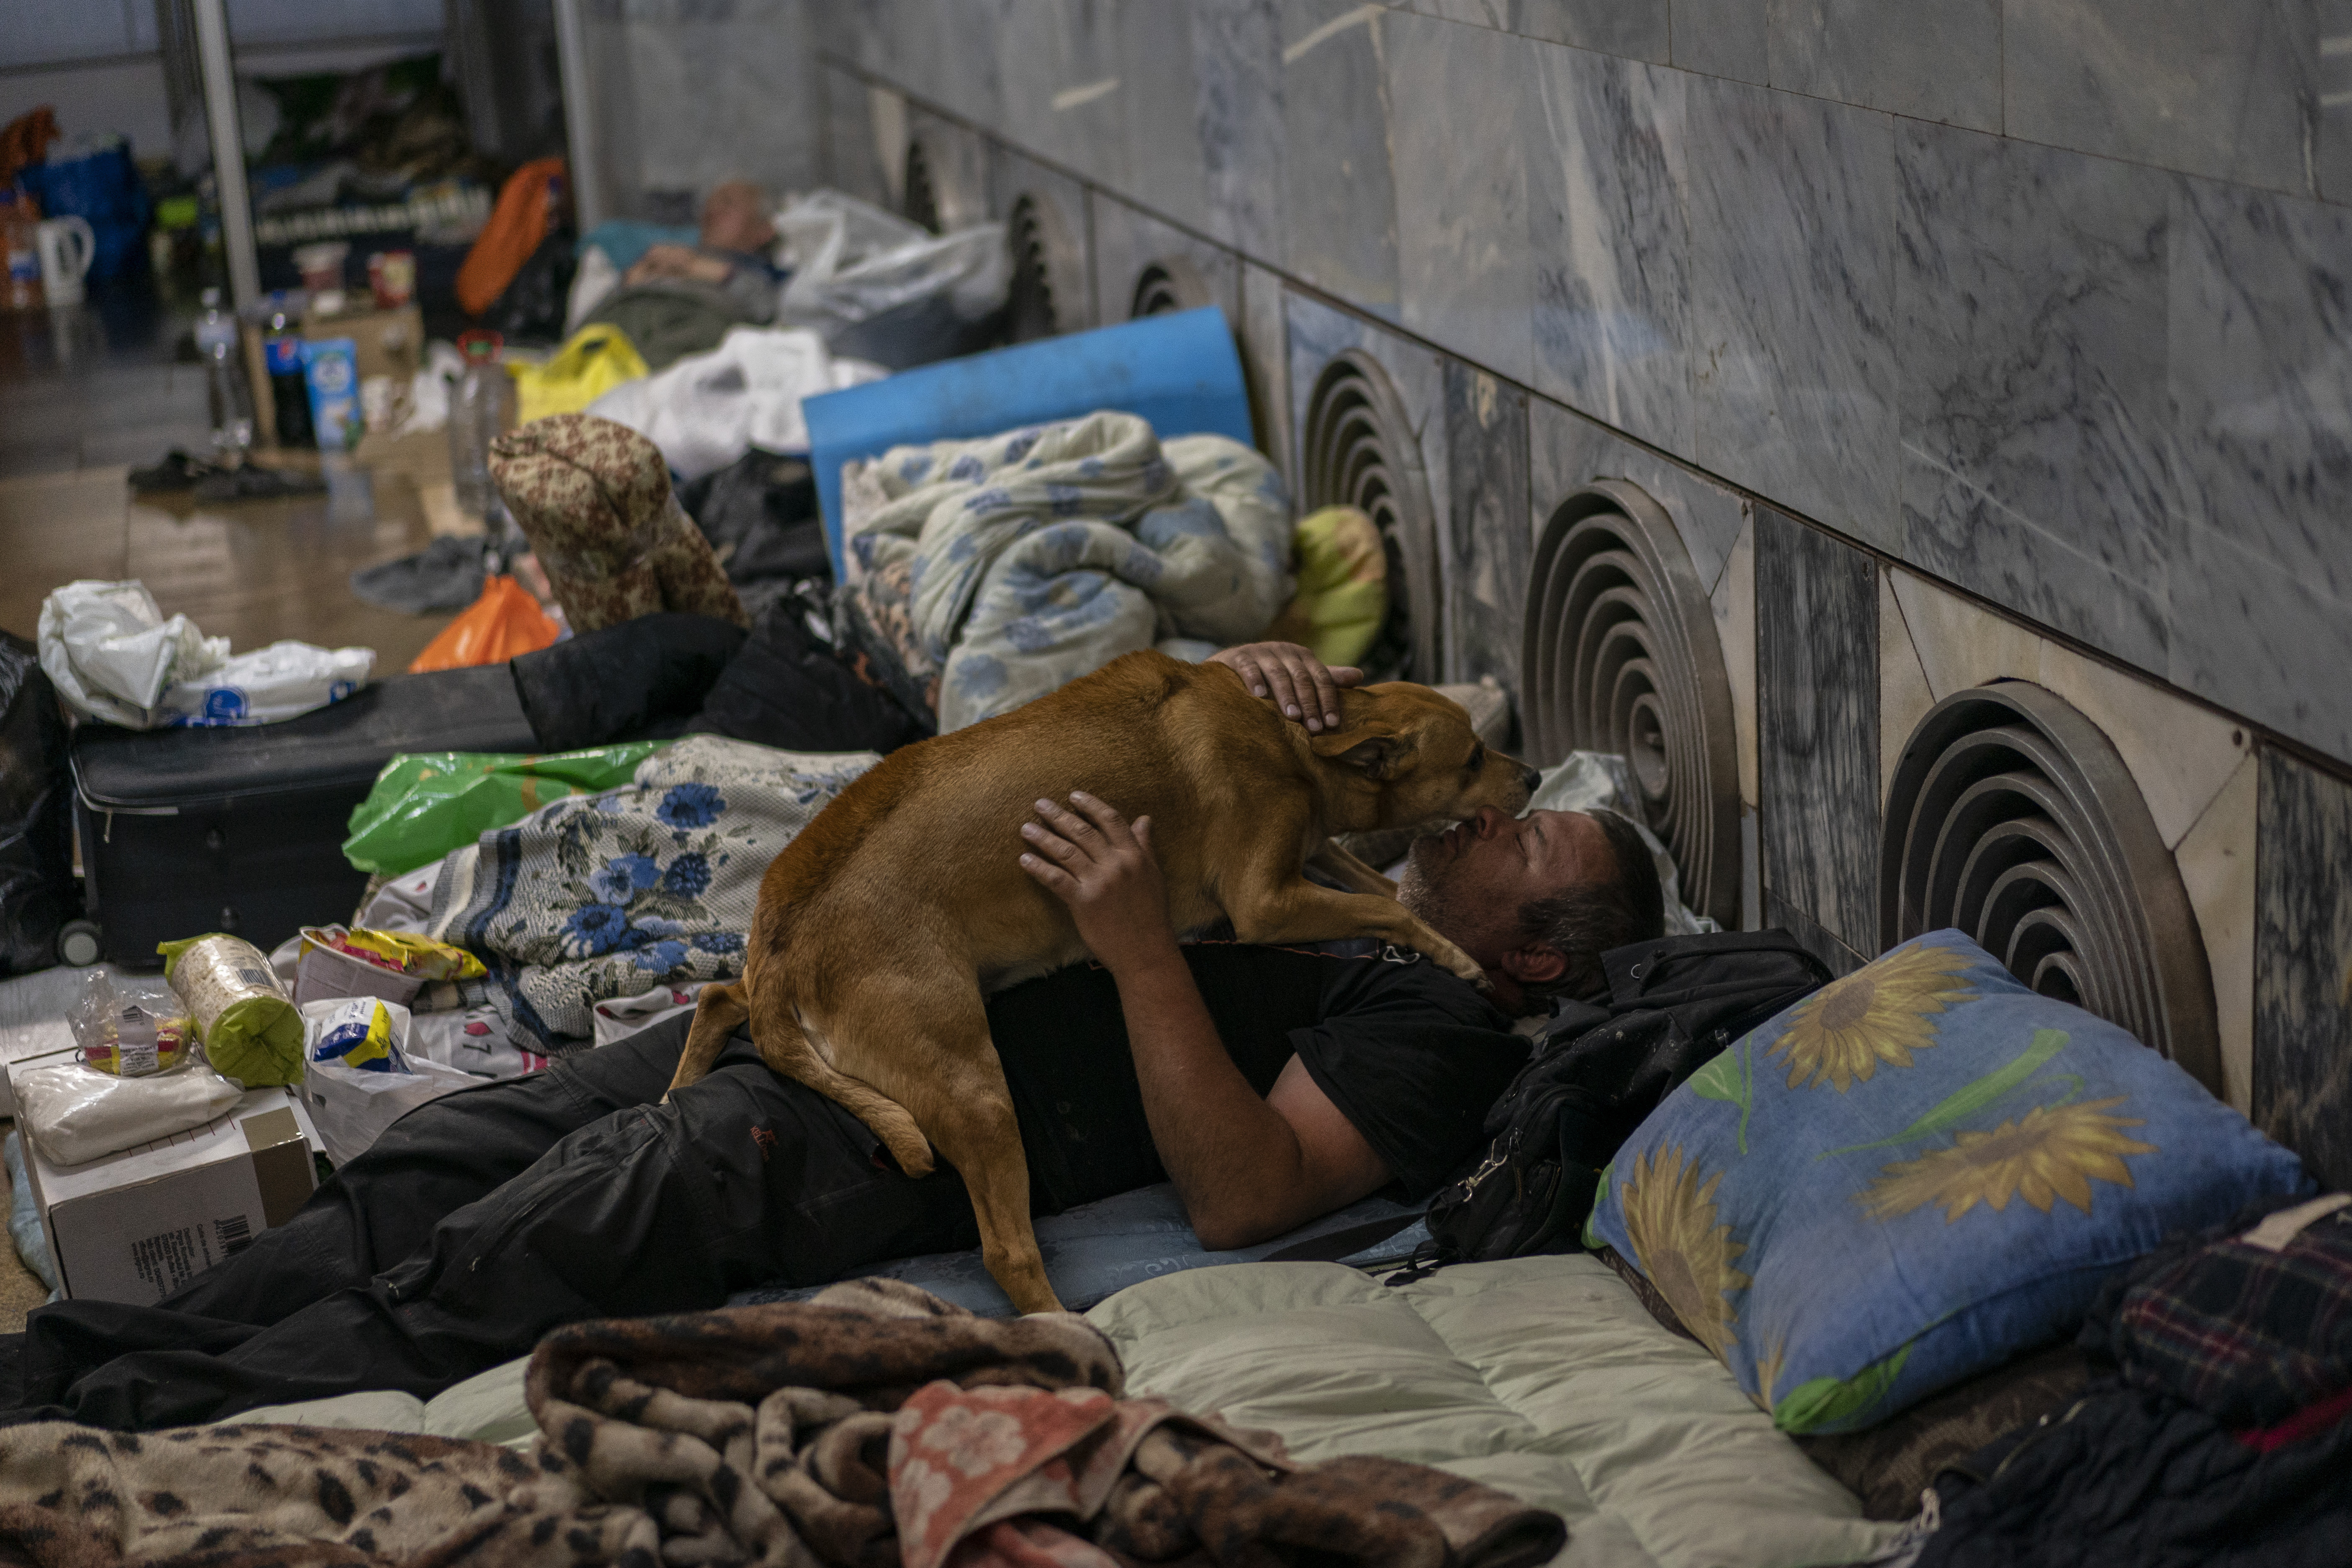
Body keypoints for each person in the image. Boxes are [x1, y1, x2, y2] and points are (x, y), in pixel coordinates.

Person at [0, 644, 1664, 1433]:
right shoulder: (1332, 844)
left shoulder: (1436, 1020)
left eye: (1504, 836)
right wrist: (1233, 688)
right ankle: (47, 1361)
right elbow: (1174, 754)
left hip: (890, 1127)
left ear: (1532, 953)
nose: (1471, 815)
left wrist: (1138, 947)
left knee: (499, 1254)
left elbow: (1245, 1193)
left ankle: (93, 1424)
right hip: (834, 1001)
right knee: (422, 1171)